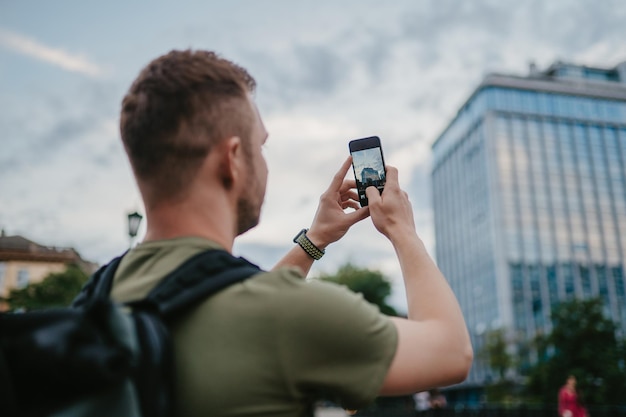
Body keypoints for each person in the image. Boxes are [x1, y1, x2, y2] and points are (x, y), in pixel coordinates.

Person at [112, 49, 473, 417]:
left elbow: (229, 304)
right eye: (261, 146)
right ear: (232, 159)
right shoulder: (289, 317)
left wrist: (315, 240)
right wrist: (401, 230)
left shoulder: (103, 296)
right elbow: (451, 352)